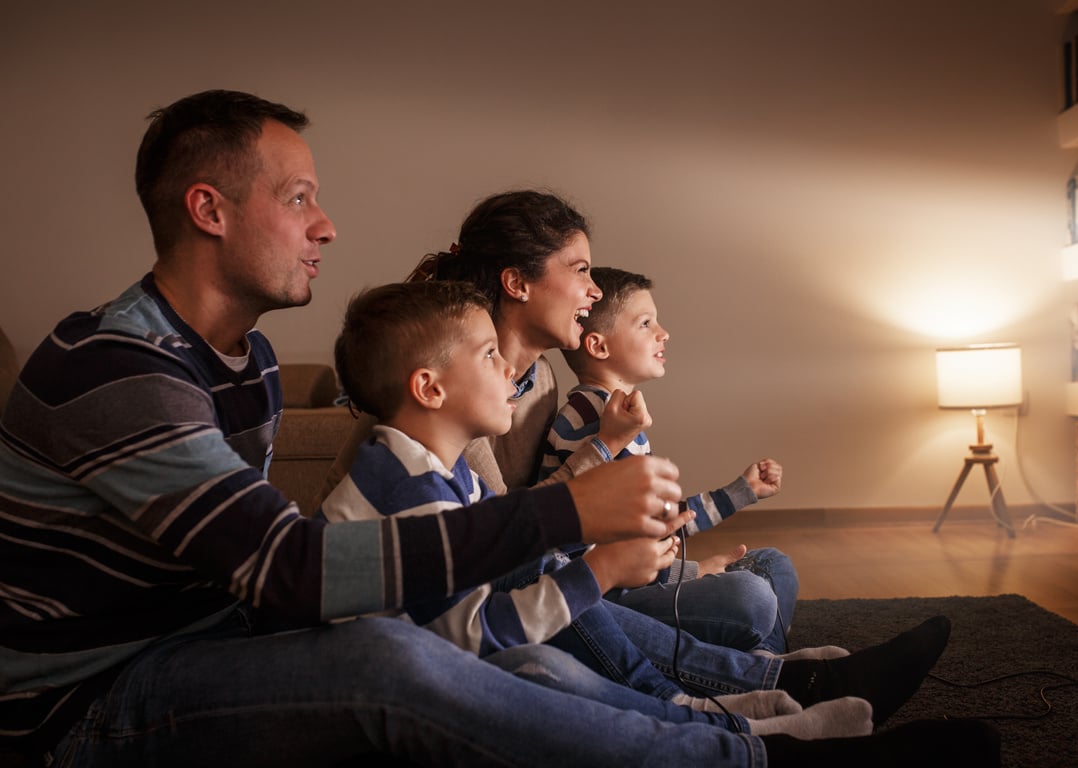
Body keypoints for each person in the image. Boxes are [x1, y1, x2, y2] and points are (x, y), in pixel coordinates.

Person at [0, 88, 1002, 768]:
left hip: (206, 652)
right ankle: (753, 751)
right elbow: (287, 571)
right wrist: (570, 512)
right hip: (93, 708)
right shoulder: (114, 366)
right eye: (298, 198)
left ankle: (749, 709)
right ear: (209, 209)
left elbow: (257, 581)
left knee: (500, 649)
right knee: (393, 659)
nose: (327, 225)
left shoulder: (248, 363)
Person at [321, 191, 925, 711]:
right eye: (580, 270)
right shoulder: (454, 405)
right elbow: (511, 544)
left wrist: (674, 555)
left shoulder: (544, 382)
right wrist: (609, 487)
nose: (591, 288)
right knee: (747, 596)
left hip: (550, 580)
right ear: (518, 282)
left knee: (766, 567)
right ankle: (760, 683)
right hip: (501, 593)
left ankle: (766, 677)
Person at [540, 265, 842, 658]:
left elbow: (658, 524)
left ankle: (762, 662)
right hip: (612, 600)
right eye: (646, 323)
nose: (663, 333)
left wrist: (742, 491)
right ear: (599, 347)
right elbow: (590, 553)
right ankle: (757, 665)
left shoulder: (617, 416)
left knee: (773, 564)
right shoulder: (587, 423)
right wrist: (693, 572)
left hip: (647, 579)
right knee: (751, 596)